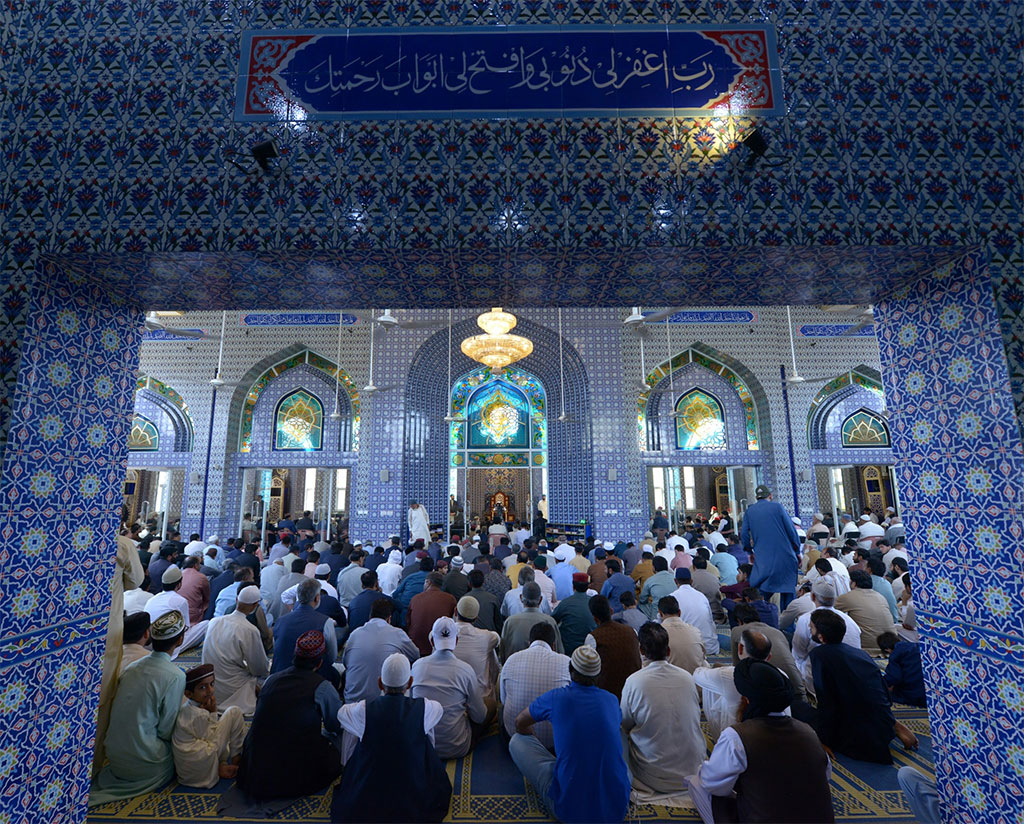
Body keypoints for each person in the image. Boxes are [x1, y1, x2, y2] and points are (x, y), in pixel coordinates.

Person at [686, 657, 834, 824]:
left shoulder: (737, 736)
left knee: (697, 782)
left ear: (745, 699)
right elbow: (824, 776)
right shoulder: (808, 732)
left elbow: (713, 785)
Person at [510, 645, 631, 823]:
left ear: (570, 669)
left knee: (516, 742)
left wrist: (532, 738)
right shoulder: (611, 700)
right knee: (619, 731)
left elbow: (520, 722)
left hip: (570, 810)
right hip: (618, 807)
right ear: (597, 675)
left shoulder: (556, 697)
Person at [331, 653, 452, 822]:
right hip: (414, 795)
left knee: (354, 731)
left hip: (371, 795)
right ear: (410, 683)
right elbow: (438, 709)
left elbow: (341, 714)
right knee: (424, 733)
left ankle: (349, 770)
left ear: (380, 683)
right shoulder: (426, 708)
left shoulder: (363, 711)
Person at [88, 611, 187, 805]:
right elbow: (166, 730)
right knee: (185, 751)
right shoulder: (175, 676)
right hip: (145, 762)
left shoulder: (131, 668)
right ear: (180, 639)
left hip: (114, 757)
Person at [237, 631, 343, 800]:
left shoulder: (271, 680)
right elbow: (335, 725)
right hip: (293, 775)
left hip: (255, 769)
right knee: (340, 741)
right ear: (320, 662)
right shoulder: (322, 687)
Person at [809, 609, 911, 763]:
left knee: (801, 712)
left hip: (857, 738)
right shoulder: (860, 653)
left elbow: (827, 702)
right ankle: (893, 725)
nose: (810, 630)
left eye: (811, 628)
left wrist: (823, 740)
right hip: (881, 725)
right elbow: (881, 691)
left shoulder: (819, 655)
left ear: (821, 636)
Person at [621, 622, 705, 794]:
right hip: (694, 770)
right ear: (668, 651)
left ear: (641, 651)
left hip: (652, 775)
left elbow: (625, 724)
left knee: (616, 731)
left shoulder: (634, 681)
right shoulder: (687, 678)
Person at [410, 617, 489, 759]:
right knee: (490, 705)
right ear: (456, 641)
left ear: (432, 641)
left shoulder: (417, 667)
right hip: (456, 747)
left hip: (423, 746)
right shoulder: (465, 670)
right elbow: (480, 716)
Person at [172, 664, 245, 788]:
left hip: (197, 761)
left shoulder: (191, 706)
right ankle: (234, 759)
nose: (210, 690)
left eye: (211, 684)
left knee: (232, 713)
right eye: (202, 687)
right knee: (234, 712)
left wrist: (211, 713)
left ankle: (221, 763)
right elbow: (210, 738)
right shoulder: (197, 713)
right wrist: (213, 712)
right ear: (189, 694)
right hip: (200, 766)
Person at [201, 585, 270, 715]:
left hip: (210, 683)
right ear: (255, 606)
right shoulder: (250, 629)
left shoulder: (214, 621)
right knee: (268, 678)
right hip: (232, 689)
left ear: (237, 600)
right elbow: (259, 668)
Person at [342, 598, 421, 704]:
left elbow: (346, 662)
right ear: (389, 618)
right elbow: (416, 656)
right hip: (382, 704)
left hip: (352, 702)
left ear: (370, 616)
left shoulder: (354, 634)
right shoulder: (397, 634)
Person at [792, 579, 862, 693]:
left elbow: (798, 655)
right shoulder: (850, 621)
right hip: (851, 678)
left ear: (813, 596)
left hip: (820, 680)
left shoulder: (807, 619)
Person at [740, 485, 801, 609]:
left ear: (757, 498)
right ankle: (788, 627)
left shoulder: (750, 511)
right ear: (770, 496)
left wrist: (749, 551)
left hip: (764, 560)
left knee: (761, 592)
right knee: (788, 590)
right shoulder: (778, 507)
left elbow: (744, 534)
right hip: (785, 556)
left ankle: (762, 620)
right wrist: (796, 550)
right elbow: (792, 531)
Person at [271, 578, 339, 686]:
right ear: (317, 598)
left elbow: (277, 649)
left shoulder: (280, 621)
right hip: (312, 677)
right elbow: (332, 656)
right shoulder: (325, 622)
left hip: (278, 676)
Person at [730, 603, 805, 702]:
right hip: (797, 689)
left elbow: (736, 666)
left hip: (771, 694)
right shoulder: (777, 632)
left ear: (739, 621)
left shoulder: (737, 631)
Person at [583, 595, 641, 699]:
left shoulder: (593, 637)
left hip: (607, 696)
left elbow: (587, 670)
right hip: (634, 692)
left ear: (595, 619)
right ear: (611, 611)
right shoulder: (632, 631)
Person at [145, 565, 209, 656]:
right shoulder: (181, 601)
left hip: (150, 644)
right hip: (169, 647)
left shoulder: (152, 599)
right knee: (206, 624)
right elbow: (185, 628)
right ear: (179, 584)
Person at [452, 596, 500, 706]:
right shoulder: (486, 637)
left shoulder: (443, 635)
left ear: (455, 611)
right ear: (476, 618)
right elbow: (497, 639)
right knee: (490, 652)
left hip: (451, 694)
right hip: (480, 698)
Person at [836, 569, 898, 652]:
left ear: (854, 583)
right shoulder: (880, 597)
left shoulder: (848, 597)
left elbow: (827, 609)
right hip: (890, 647)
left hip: (867, 649)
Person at [500, 582, 563, 661]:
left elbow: (502, 653)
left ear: (521, 598)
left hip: (514, 669)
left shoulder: (509, 622)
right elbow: (559, 652)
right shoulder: (550, 621)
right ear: (540, 600)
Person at [406, 571, 457, 656]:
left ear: (428, 582)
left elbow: (408, 623)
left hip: (416, 646)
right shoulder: (450, 599)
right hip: (440, 646)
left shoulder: (415, 599)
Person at [670, 568, 719, 655]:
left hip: (687, 650)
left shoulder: (672, 597)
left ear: (675, 581)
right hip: (709, 647)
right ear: (691, 581)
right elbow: (711, 621)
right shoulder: (701, 596)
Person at [878, 631, 927, 707]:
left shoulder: (896, 654)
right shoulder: (916, 645)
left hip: (913, 694)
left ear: (887, 649)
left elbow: (894, 678)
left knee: (885, 694)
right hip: (928, 692)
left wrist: (879, 684)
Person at [551, 572, 596, 654]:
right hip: (590, 649)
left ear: (573, 587)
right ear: (587, 587)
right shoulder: (594, 603)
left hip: (568, 649)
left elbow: (552, 620)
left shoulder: (565, 603)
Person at [691, 556, 725, 623]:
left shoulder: (691, 578)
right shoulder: (714, 577)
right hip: (717, 613)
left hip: (701, 616)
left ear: (693, 567)